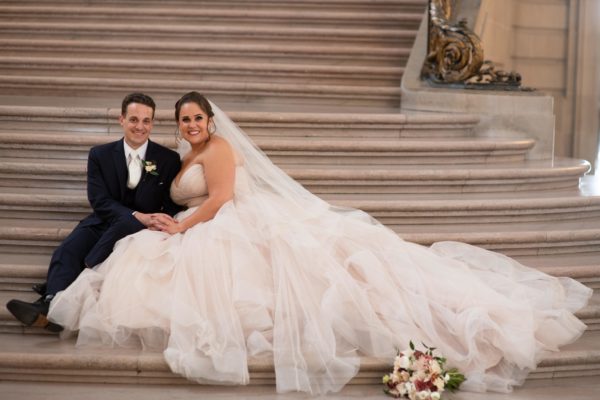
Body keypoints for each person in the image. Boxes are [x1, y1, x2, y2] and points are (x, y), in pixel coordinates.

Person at [47, 92, 591, 395]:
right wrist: (168, 219)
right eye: (184, 119)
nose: (190, 124)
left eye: (197, 118)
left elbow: (217, 201)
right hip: (204, 222)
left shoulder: (216, 152)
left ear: (211, 121)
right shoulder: (181, 155)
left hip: (226, 221)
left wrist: (182, 227)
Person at [6, 92, 182, 332]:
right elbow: (99, 199)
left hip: (143, 227)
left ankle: (56, 297)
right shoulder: (100, 155)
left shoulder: (168, 159)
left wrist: (153, 220)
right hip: (105, 218)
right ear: (121, 120)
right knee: (67, 249)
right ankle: (50, 306)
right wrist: (132, 214)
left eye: (146, 121)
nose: (140, 126)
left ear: (152, 122)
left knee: (95, 253)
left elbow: (171, 203)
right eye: (133, 119)